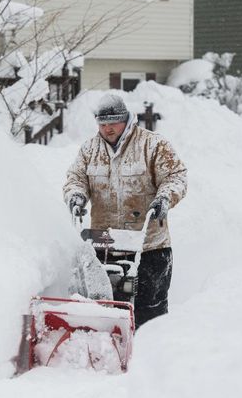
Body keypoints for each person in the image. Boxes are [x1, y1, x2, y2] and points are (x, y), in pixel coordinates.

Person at [63, 93, 187, 328]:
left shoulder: (152, 144)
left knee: (149, 314)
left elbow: (176, 177)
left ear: (126, 119)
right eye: (103, 124)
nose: (108, 129)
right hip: (104, 244)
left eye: (113, 123)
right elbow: (75, 178)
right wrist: (76, 195)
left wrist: (164, 198)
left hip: (149, 246)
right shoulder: (90, 149)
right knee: (102, 309)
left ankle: (149, 356)